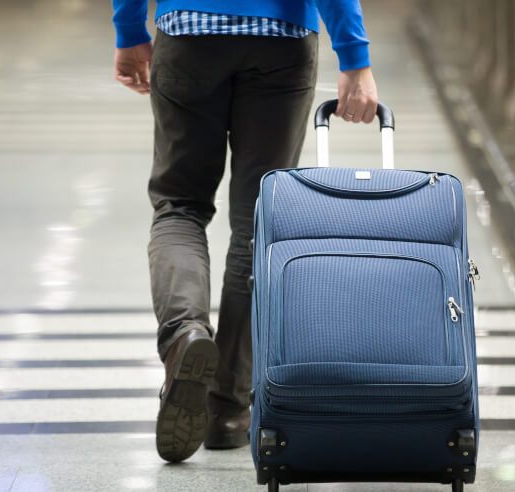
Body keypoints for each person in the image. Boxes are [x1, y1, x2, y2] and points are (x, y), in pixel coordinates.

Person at [111, 0, 379, 463]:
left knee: (180, 206)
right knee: (258, 221)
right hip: (281, 39)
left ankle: (185, 333)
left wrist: (129, 28)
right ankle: (228, 410)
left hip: (189, 31)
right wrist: (354, 57)